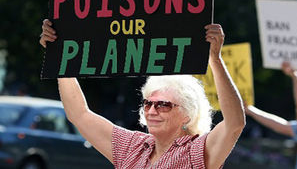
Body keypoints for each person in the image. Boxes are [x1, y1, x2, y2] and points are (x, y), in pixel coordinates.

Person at [40, 19, 245, 168]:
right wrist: (60, 57)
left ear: (187, 115)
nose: (152, 110)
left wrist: (215, 60)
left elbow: (234, 124)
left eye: (163, 104)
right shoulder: (133, 147)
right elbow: (79, 114)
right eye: (148, 104)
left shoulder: (196, 151)